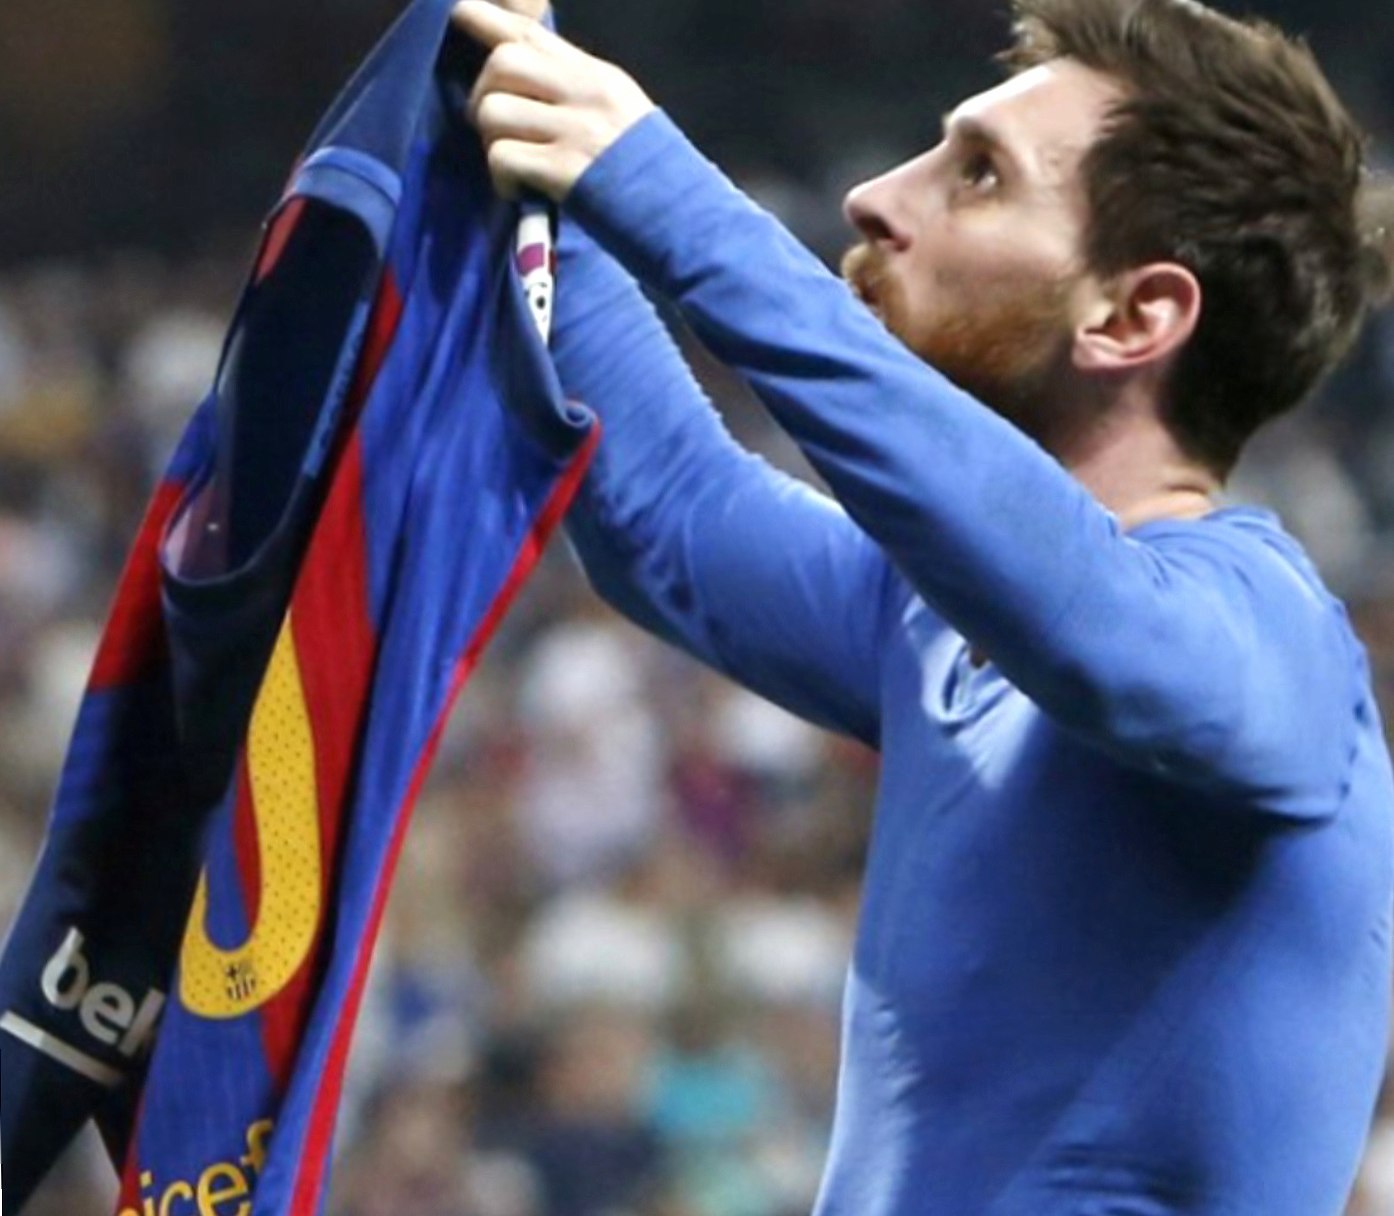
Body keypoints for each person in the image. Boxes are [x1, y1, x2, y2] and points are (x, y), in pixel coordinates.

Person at [451, 0, 1394, 1211]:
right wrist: (526, 153)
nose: (873, 197)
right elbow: (667, 513)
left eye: (978, 175)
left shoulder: (1274, 639)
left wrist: (655, 185)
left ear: (1131, 316)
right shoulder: (934, 627)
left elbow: (1093, 627)